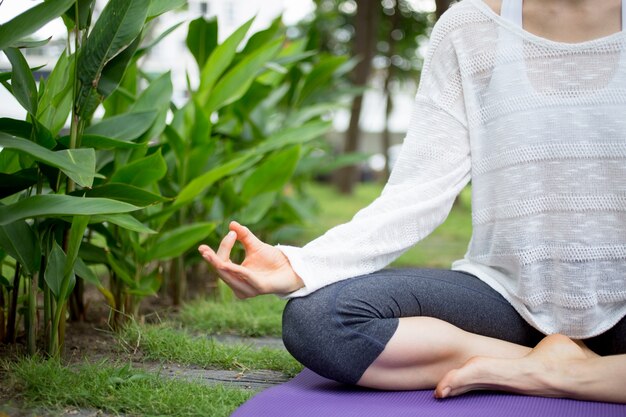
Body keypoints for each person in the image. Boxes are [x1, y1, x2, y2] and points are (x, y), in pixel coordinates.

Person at [199, 0, 626, 403]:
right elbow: (420, 190)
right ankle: (570, 366)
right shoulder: (469, 27)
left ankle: (559, 372)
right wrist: (300, 266)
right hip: (507, 298)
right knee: (319, 320)